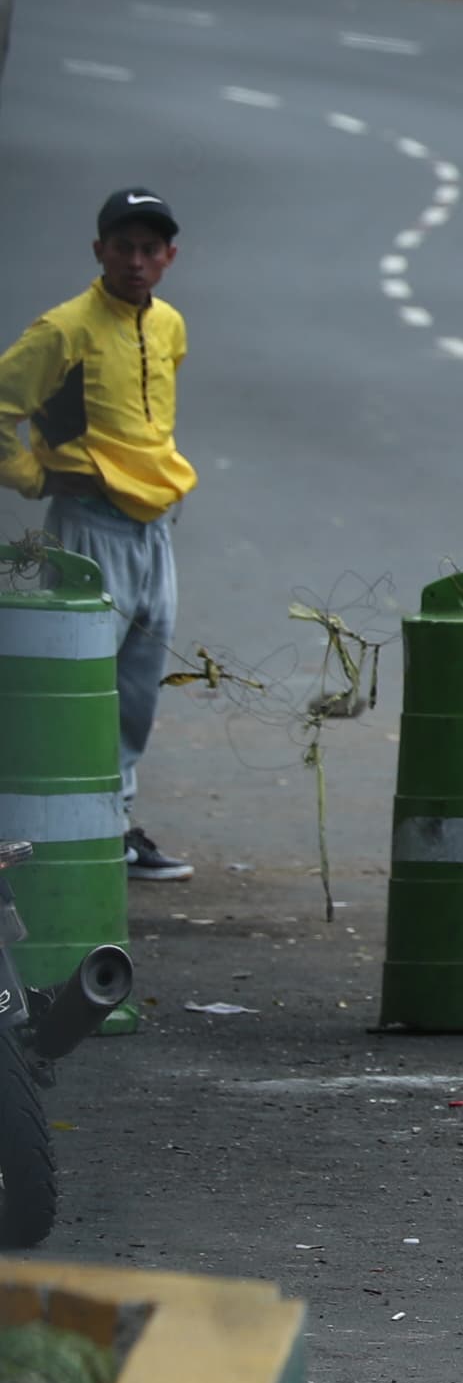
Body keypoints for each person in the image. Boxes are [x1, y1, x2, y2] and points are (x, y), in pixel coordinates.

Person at [1, 189, 195, 882]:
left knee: (137, 687)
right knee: (81, 686)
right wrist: (35, 477)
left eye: (151, 249)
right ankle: (55, 830)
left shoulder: (168, 324)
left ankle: (110, 826)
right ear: (100, 251)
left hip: (152, 530)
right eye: (124, 247)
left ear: (169, 257)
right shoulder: (63, 328)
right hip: (88, 525)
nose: (137, 261)